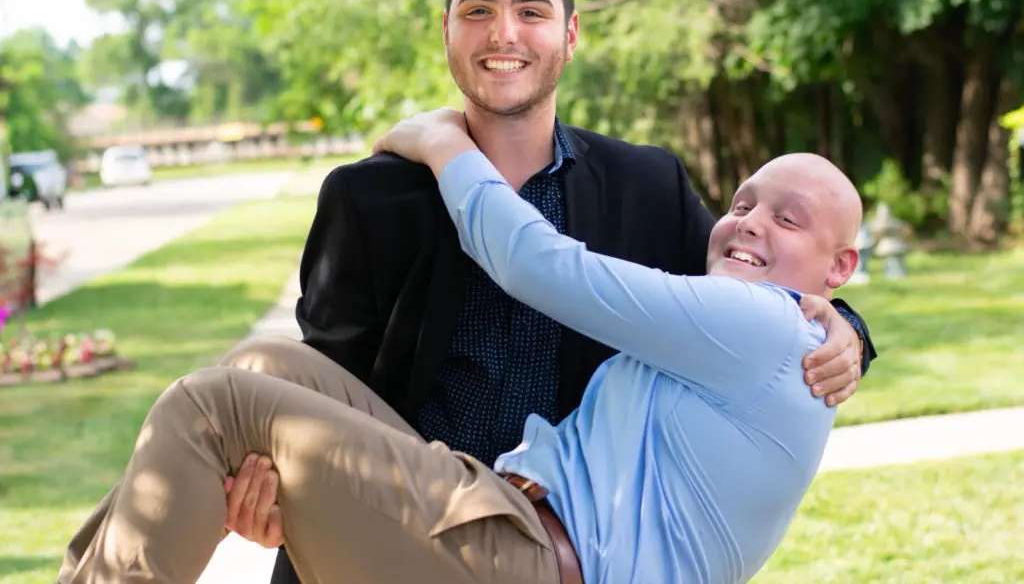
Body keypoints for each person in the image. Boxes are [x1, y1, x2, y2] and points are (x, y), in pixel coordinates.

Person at [229, 0, 878, 574]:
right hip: (397, 528)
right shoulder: (366, 198)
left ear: (570, 36)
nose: (503, 33)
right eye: (477, 10)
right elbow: (330, 380)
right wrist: (269, 479)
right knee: (258, 374)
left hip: (561, 551)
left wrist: (842, 327)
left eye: (531, 11)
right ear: (447, 32)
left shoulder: (646, 185)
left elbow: (746, 293)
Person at [56, 110, 863, 584]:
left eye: (785, 217)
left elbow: (538, 265)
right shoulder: (759, 317)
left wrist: (443, 142)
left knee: (213, 405)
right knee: (259, 370)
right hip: (487, 511)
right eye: (742, 201)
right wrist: (288, 494)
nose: (749, 221)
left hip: (536, 562)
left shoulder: (737, 298)